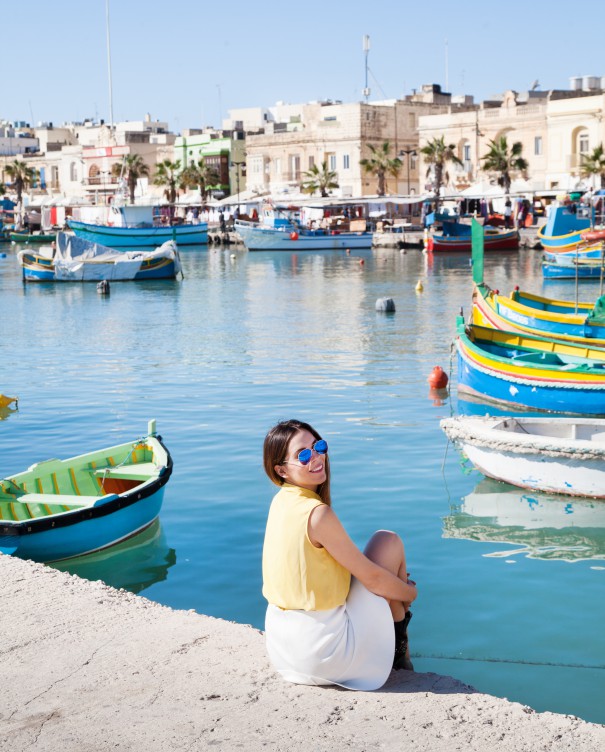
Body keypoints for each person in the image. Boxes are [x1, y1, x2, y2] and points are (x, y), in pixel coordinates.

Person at [262, 419, 417, 690]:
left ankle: (399, 639)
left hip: (284, 651)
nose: (317, 457)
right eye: (303, 454)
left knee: (382, 574)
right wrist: (409, 593)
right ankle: (399, 644)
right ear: (281, 470)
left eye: (318, 446)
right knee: (387, 542)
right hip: (322, 654)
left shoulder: (281, 501)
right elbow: (373, 580)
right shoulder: (318, 514)